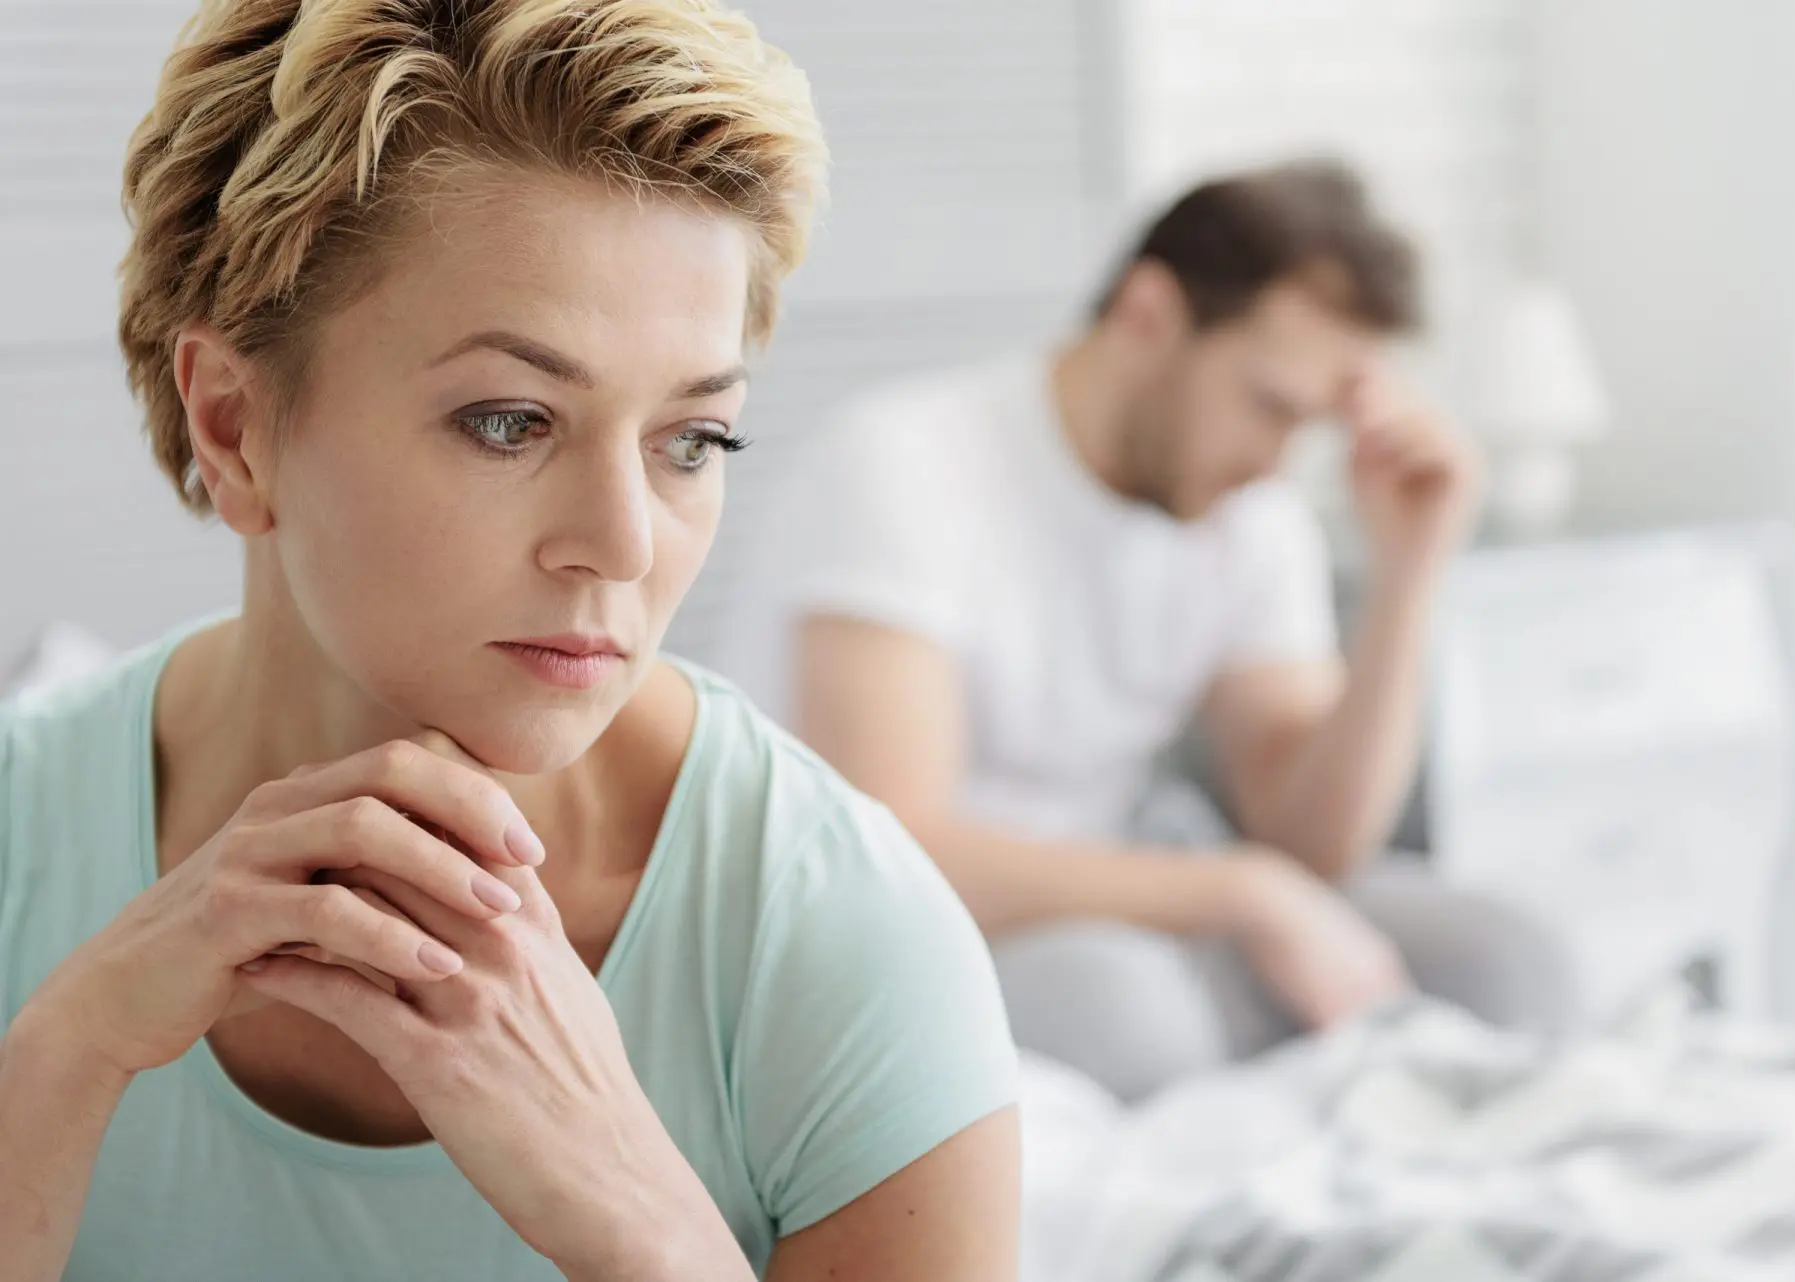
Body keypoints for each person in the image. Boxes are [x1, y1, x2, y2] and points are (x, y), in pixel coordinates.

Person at [0, 3, 1019, 1279]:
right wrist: (59, 1058)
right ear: (235, 426)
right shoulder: (17, 846)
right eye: (510, 421)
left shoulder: (832, 939)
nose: (625, 542)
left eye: (690, 440)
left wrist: (645, 1228)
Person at [723, 160, 1569, 1102]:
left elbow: (1312, 845)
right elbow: (895, 857)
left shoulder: (1250, 511)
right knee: (1126, 1009)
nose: (1279, 460)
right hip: (903, 933)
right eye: (1269, 406)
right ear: (1149, 315)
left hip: (1128, 906)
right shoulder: (906, 468)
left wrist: (1410, 571)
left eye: (1312, 426)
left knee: (1505, 963)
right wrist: (1240, 892)